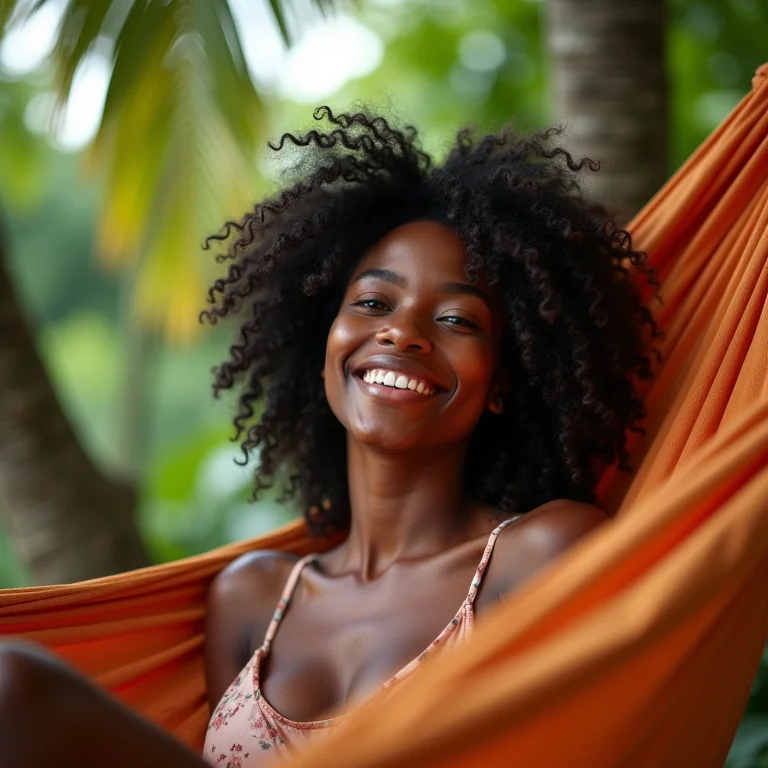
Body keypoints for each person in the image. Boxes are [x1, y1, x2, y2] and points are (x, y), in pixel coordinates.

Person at [0, 107, 659, 767]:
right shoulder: (252, 596)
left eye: (457, 318)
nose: (401, 333)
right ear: (324, 349)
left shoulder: (541, 555)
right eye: (373, 303)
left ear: (505, 384)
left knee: (14, 686)